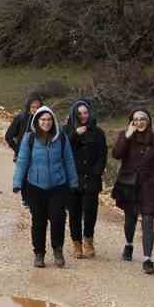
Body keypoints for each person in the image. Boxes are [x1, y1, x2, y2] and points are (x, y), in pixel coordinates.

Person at [12, 106, 79, 268]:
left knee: (58, 219)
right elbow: (22, 162)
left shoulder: (61, 138)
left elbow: (69, 161)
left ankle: (58, 250)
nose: (46, 123)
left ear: (53, 121)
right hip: (35, 186)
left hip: (58, 186)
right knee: (38, 221)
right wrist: (17, 182)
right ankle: (39, 253)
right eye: (42, 120)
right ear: (37, 121)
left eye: (49, 120)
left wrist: (73, 181)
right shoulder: (30, 138)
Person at [111, 108, 154, 275]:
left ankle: (147, 259)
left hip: (149, 186)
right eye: (136, 119)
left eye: (143, 119)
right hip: (129, 185)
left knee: (148, 222)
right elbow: (116, 154)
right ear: (131, 121)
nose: (139, 122)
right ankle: (129, 245)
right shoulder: (124, 136)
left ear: (149, 121)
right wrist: (127, 135)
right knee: (130, 219)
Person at [67, 99, 108, 258]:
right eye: (79, 113)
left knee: (90, 211)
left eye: (85, 112)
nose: (83, 116)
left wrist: (97, 171)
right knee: (74, 213)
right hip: (73, 178)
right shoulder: (66, 130)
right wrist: (75, 134)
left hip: (91, 178)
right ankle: (76, 244)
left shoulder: (98, 132)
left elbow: (103, 154)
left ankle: (88, 240)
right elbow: (64, 150)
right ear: (74, 115)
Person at [4, 93, 46, 159]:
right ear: (28, 107)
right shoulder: (21, 118)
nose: (35, 110)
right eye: (33, 107)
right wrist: (18, 150)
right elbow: (8, 136)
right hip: (22, 156)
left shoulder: (44, 120)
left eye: (38, 107)